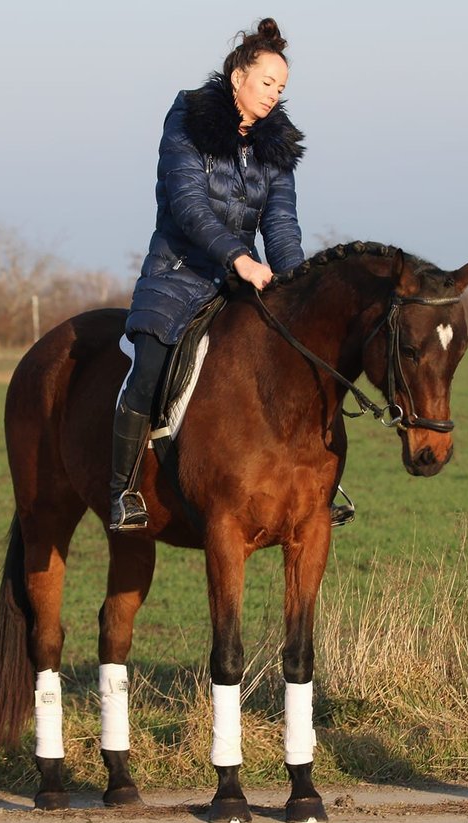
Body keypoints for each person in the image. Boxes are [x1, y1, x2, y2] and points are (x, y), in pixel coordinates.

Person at [111, 17, 350, 531]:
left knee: (299, 355)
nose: (273, 95)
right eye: (267, 83)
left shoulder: (277, 144)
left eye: (281, 88)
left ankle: (319, 479)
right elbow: (189, 204)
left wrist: (297, 288)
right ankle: (124, 489)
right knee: (149, 364)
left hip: (244, 279)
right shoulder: (187, 118)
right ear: (239, 74)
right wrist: (237, 257)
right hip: (178, 272)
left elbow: (281, 224)